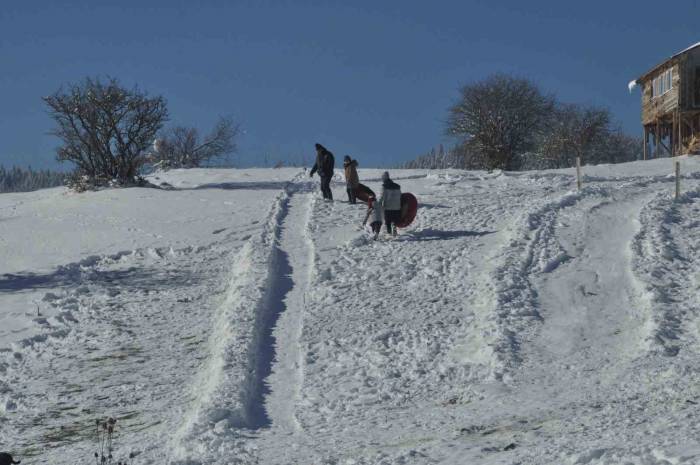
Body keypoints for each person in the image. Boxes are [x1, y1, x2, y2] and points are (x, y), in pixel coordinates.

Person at [379, 171, 401, 236]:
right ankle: (394, 225)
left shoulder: (384, 186)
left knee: (387, 221)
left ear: (383, 178)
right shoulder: (397, 186)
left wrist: (378, 204)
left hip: (388, 207)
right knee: (394, 219)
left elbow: (382, 197)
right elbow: (400, 195)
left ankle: (389, 233)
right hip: (397, 207)